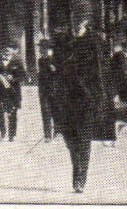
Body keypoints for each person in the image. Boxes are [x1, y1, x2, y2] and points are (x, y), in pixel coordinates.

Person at [54, 20, 109, 193]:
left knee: (83, 142)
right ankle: (77, 173)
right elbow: (58, 78)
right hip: (67, 104)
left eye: (80, 27)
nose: (76, 29)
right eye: (75, 26)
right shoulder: (66, 46)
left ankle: (80, 179)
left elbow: (99, 78)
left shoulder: (93, 49)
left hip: (86, 103)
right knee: (71, 143)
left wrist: (97, 102)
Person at [0, 46, 27, 141]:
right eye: (5, 48)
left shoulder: (17, 61)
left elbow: (23, 76)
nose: (7, 50)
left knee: (12, 112)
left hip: (13, 91)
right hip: (0, 91)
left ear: (13, 51)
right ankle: (2, 132)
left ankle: (12, 135)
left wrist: (14, 79)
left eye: (10, 48)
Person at [36, 40, 61, 141]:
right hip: (43, 90)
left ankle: (57, 131)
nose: (41, 50)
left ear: (47, 49)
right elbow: (41, 76)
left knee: (55, 110)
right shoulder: (40, 61)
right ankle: (47, 135)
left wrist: (55, 70)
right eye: (41, 48)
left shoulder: (55, 60)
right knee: (45, 112)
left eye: (43, 48)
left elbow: (60, 74)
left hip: (54, 89)